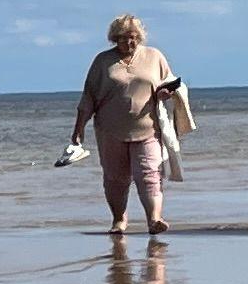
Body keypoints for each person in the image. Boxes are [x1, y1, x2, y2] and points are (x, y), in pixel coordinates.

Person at [67, 13, 187, 236]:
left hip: (148, 128)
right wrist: (78, 129)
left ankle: (154, 219)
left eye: (133, 38)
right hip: (110, 130)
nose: (128, 42)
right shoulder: (103, 62)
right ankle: (119, 220)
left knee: (149, 173)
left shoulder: (154, 56)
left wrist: (166, 92)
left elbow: (170, 82)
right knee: (115, 178)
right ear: (114, 38)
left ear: (139, 37)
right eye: (122, 38)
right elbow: (88, 97)